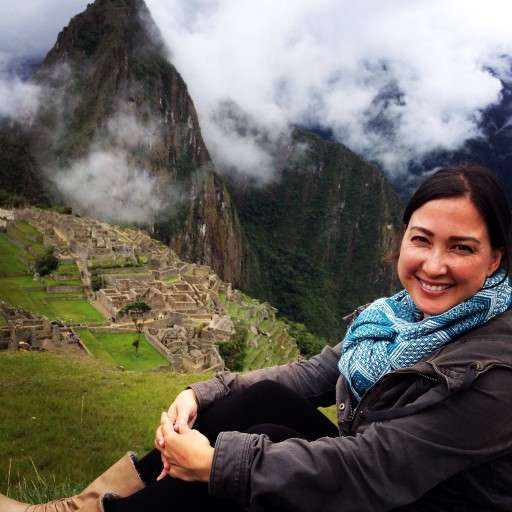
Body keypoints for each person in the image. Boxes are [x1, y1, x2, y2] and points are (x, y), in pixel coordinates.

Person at [3, 165, 512, 512]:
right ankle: (88, 505)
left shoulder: (496, 372)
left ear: (495, 259)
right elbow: (315, 372)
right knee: (263, 402)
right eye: (421, 240)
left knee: (233, 466)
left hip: (399, 495)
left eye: (461, 248)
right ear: (402, 238)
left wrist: (219, 463)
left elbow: (375, 467)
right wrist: (201, 393)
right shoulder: (397, 319)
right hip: (378, 484)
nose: (435, 265)